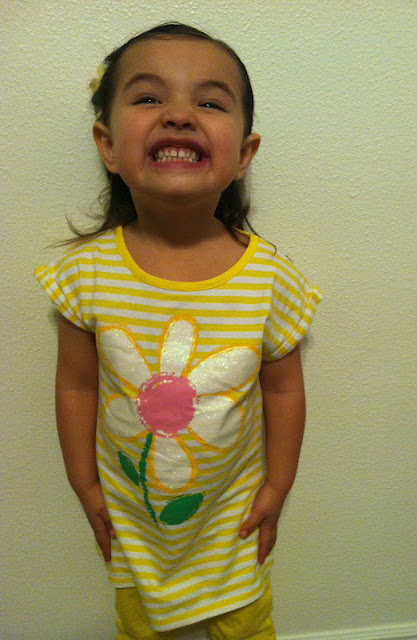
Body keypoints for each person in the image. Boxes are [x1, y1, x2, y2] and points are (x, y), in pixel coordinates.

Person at [35, 22, 322, 640]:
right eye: (148, 97)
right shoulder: (84, 274)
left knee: (248, 626)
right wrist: (84, 483)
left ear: (244, 154)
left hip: (233, 520)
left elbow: (283, 390)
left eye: (210, 103)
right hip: (132, 522)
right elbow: (77, 387)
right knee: (139, 627)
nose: (179, 115)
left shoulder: (270, 279)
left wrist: (278, 485)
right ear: (108, 146)